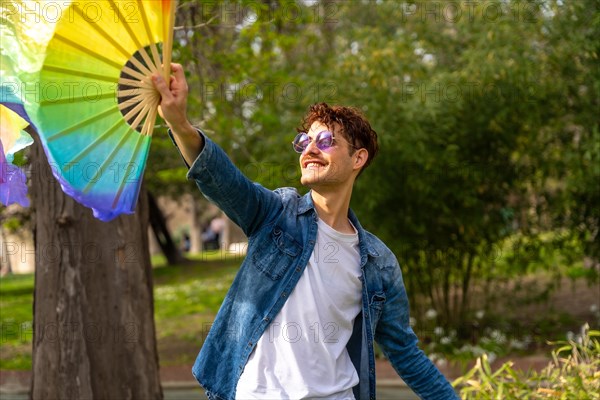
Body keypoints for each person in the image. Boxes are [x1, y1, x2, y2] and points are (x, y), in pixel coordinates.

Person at [152, 64, 458, 400]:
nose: (309, 150)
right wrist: (180, 124)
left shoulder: (377, 262)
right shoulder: (277, 214)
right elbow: (223, 181)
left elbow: (406, 354)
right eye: (304, 141)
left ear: (358, 158)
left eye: (325, 141)